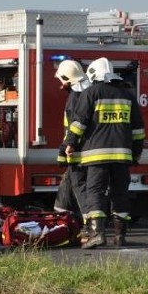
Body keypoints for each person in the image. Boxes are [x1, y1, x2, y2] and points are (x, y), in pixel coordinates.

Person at [63, 57, 145, 248]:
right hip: (122, 156)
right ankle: (120, 237)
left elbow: (79, 123)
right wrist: (136, 153)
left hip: (96, 156)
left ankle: (97, 234)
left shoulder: (91, 93)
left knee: (95, 192)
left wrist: (70, 144)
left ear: (93, 75)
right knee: (120, 194)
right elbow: (138, 130)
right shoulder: (128, 96)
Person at [53, 60, 91, 225]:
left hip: (77, 151)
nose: (60, 84)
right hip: (81, 149)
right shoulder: (86, 93)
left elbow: (73, 127)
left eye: (61, 80)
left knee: (79, 186)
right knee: (68, 182)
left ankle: (90, 225)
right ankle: (61, 218)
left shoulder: (75, 98)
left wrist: (64, 149)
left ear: (66, 79)